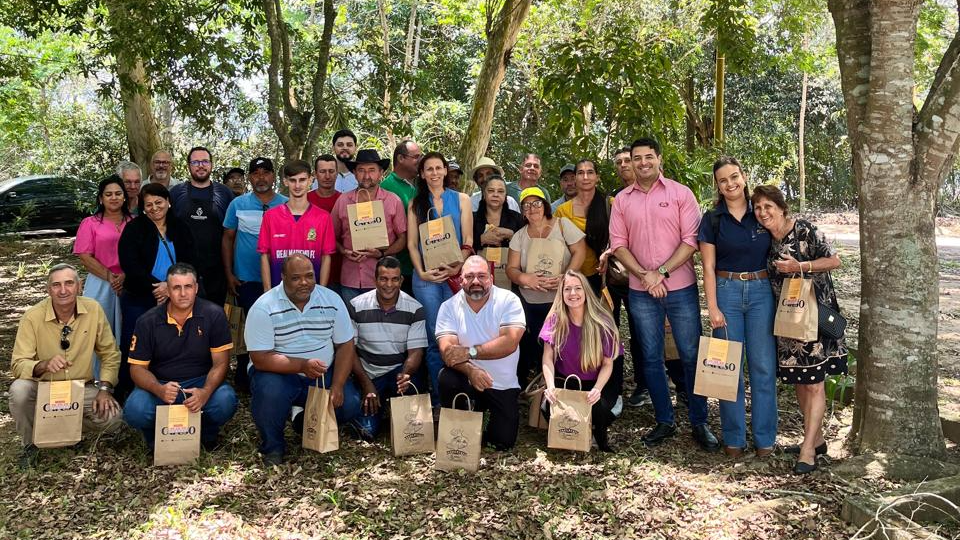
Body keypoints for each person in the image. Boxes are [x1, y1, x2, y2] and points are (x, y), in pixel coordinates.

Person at [609, 137, 718, 451]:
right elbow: (618, 244)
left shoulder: (680, 193)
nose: (643, 163)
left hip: (680, 288)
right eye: (636, 158)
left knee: (691, 354)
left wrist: (662, 273)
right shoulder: (622, 200)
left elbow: (690, 240)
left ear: (658, 158)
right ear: (630, 161)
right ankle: (664, 420)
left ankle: (699, 421)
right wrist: (644, 275)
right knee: (652, 358)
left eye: (648, 157)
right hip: (640, 291)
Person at [753, 184, 846, 474]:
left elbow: (835, 261)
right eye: (757, 208)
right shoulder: (764, 239)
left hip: (815, 316)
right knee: (799, 380)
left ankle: (808, 451)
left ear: (781, 207)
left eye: (768, 206)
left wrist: (800, 266)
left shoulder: (805, 230)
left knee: (815, 382)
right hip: (787, 319)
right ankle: (815, 439)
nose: (762, 212)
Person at [245, 254, 362, 465]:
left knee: (350, 404)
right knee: (270, 393)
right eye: (296, 278)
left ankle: (303, 422)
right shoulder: (264, 307)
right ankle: (273, 446)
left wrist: (338, 384)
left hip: (320, 373)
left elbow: (345, 344)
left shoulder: (331, 300)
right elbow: (260, 358)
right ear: (283, 277)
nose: (304, 283)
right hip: (278, 373)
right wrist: (301, 365)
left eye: (309, 276)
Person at [698, 157, 778, 459]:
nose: (730, 184)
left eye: (734, 177)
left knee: (762, 367)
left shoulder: (761, 212)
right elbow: (708, 268)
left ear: (743, 177)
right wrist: (713, 307)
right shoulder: (713, 219)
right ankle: (733, 438)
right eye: (723, 180)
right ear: (717, 186)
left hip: (761, 293)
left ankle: (765, 439)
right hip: (727, 292)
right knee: (726, 368)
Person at [9, 264, 123, 469]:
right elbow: (18, 363)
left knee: (113, 418)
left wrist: (105, 389)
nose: (63, 290)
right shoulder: (33, 316)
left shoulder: (93, 309)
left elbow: (110, 354)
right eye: (56, 285)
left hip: (80, 388)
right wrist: (43, 365)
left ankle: (67, 432)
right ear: (48, 290)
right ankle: (30, 445)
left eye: (69, 283)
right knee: (19, 390)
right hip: (43, 389)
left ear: (79, 287)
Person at [602, 148, 687, 409]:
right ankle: (646, 388)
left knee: (675, 336)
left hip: (669, 280)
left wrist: (657, 274)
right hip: (625, 279)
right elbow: (618, 238)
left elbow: (686, 239)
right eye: (621, 162)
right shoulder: (616, 199)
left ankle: (682, 387)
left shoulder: (673, 193)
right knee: (642, 338)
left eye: (630, 159)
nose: (627, 165)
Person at [123, 263, 238, 452]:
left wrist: (206, 392)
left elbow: (221, 363)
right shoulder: (147, 321)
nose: (183, 293)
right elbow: (137, 369)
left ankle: (207, 435)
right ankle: (155, 438)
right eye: (176, 287)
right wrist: (158, 389)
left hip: (199, 382)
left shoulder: (214, 314)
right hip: (161, 384)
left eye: (188, 287)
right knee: (135, 409)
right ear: (167, 290)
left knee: (225, 400)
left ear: (196, 288)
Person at [118, 183, 198, 404]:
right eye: (148, 205)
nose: (154, 208)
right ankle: (130, 387)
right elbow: (130, 264)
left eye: (158, 202)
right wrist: (158, 287)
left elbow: (191, 260)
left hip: (177, 296)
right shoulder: (134, 229)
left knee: (171, 341)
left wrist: (170, 287)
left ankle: (171, 386)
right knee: (133, 342)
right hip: (140, 296)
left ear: (168, 202)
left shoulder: (181, 227)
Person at [436, 256, 525, 450]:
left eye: (482, 276)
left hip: (501, 383)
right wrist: (471, 371)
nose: (476, 281)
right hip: (465, 378)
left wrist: (470, 352)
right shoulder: (448, 307)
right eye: (469, 276)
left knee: (502, 442)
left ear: (491, 279)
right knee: (447, 378)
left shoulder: (509, 300)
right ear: (461, 280)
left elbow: (509, 342)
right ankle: (460, 427)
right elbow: (447, 351)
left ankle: (480, 420)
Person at [406, 152, 474, 407]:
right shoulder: (415, 204)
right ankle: (438, 400)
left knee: (460, 337)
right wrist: (421, 271)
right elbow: (412, 245)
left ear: (446, 171)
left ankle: (461, 395)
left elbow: (468, 240)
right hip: (426, 279)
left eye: (438, 168)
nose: (434, 173)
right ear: (422, 174)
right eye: (429, 169)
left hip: (455, 277)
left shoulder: (462, 200)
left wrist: (459, 264)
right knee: (435, 340)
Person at [506, 187, 586, 388]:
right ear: (522, 211)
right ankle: (530, 387)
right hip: (531, 300)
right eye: (527, 205)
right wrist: (525, 278)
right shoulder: (520, 236)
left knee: (563, 342)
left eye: (537, 203)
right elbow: (511, 269)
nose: (532, 209)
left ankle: (565, 383)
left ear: (545, 206)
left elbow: (580, 251)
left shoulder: (562, 225)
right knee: (532, 343)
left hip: (561, 299)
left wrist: (567, 278)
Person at [222, 156, 288, 391]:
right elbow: (228, 238)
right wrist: (229, 273)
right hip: (246, 279)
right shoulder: (237, 204)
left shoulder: (286, 204)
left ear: (274, 176)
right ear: (250, 177)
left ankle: (275, 375)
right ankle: (245, 372)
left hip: (280, 281)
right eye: (256, 173)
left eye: (266, 172)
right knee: (248, 327)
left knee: (278, 328)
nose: (261, 177)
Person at [540, 271, 620, 452]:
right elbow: (547, 358)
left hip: (596, 383)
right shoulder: (555, 320)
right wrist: (550, 386)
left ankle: (597, 436)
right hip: (566, 381)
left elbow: (608, 364)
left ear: (586, 291)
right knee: (547, 404)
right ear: (561, 294)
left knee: (598, 408)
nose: (573, 293)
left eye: (578, 288)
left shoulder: (602, 321)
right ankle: (567, 433)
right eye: (567, 289)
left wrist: (597, 389)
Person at [347, 256, 427, 439]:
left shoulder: (415, 308)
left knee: (414, 384)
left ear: (401, 280)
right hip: (368, 374)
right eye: (383, 279)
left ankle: (393, 405)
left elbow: (416, 351)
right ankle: (377, 405)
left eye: (394, 279)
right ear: (375, 280)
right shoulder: (356, 306)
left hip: (396, 372)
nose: (388, 284)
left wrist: (405, 373)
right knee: (365, 433)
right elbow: (349, 351)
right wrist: (366, 384)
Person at [332, 149, 408, 304]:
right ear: (354, 173)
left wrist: (381, 253)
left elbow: (403, 239)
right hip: (350, 279)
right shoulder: (343, 201)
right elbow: (331, 236)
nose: (366, 176)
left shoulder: (393, 201)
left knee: (384, 326)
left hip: (385, 282)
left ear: (380, 172)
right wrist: (344, 251)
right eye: (361, 170)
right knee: (353, 326)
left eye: (372, 170)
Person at [74, 176, 132, 360]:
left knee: (126, 331)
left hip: (129, 282)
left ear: (124, 197)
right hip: (99, 282)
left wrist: (124, 275)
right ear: (101, 198)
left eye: (118, 193)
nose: (113, 197)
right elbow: (84, 256)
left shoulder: (135, 222)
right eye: (108, 194)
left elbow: (142, 254)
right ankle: (98, 379)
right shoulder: (90, 223)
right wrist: (110, 277)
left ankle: (124, 380)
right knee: (97, 331)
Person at [169, 146, 234, 305]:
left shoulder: (225, 193)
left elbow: (232, 234)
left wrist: (230, 271)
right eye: (196, 162)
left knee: (214, 319)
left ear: (211, 164)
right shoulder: (176, 193)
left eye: (205, 161)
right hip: (182, 271)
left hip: (216, 272)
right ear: (188, 166)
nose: (200, 165)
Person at [258, 160, 335, 291]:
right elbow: (264, 254)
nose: (297, 185)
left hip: (311, 292)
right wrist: (267, 290)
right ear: (285, 181)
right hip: (279, 292)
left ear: (310, 180)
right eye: (293, 180)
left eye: (302, 180)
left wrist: (321, 291)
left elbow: (326, 256)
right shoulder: (270, 216)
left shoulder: (323, 217)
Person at [381, 139, 422, 292]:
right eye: (416, 156)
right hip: (401, 268)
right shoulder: (386, 188)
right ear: (400, 158)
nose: (420, 160)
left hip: (427, 264)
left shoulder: (424, 183)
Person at [308, 154, 343, 294]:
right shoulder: (304, 200)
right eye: (322, 172)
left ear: (337, 174)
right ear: (315, 174)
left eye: (331, 171)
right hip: (311, 271)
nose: (327, 176)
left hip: (340, 271)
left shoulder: (345, 200)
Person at [472, 175, 523, 252]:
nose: (495, 195)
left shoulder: (517, 218)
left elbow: (527, 246)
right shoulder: (472, 219)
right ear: (484, 194)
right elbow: (463, 246)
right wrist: (481, 240)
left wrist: (512, 235)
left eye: (500, 191)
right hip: (477, 263)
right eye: (491, 190)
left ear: (505, 195)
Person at [332, 129, 359, 193]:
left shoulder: (363, 176)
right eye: (340, 145)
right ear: (333, 148)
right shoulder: (324, 176)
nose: (345, 148)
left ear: (355, 148)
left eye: (349, 145)